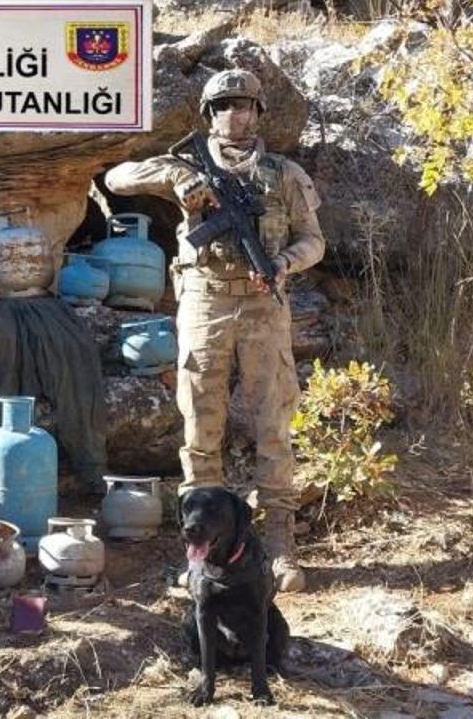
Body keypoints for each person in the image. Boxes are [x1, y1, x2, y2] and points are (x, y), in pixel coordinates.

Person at [105, 69, 325, 592]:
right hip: (204, 301)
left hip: (262, 304)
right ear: (209, 115)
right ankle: (202, 550)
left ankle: (278, 545)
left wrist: (284, 264)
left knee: (273, 422)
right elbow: (117, 178)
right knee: (201, 423)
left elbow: (315, 241)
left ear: (258, 113)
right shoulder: (186, 165)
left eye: (246, 105)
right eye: (225, 106)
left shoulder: (283, 173)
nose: (237, 115)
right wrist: (177, 178)